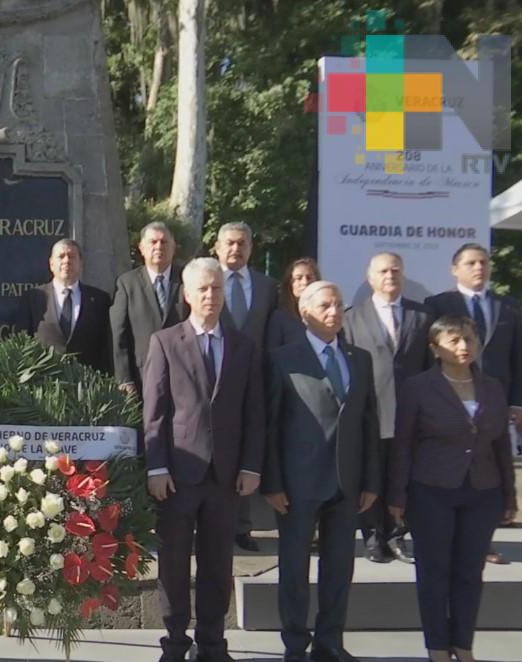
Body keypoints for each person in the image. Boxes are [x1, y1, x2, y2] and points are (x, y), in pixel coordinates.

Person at [143, 258, 265, 662]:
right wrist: (156, 467)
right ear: (187, 294)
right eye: (203, 289)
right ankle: (176, 643)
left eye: (216, 288)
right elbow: (155, 412)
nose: (211, 296)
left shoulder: (244, 345)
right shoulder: (165, 341)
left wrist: (251, 465)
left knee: (218, 564)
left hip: (226, 476)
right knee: (174, 565)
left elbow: (254, 412)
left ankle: (212, 644)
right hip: (179, 473)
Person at [263, 280, 380, 662]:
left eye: (339, 305)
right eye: (325, 305)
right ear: (305, 312)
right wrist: (273, 482)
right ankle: (296, 644)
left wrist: (370, 480)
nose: (334, 312)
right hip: (298, 484)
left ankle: (330, 641)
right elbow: (272, 426)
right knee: (294, 570)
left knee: (339, 568)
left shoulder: (359, 358)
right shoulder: (283, 358)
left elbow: (368, 422)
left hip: (346, 483)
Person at [388, 316, 517, 662]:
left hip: (483, 491)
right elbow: (403, 445)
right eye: (455, 340)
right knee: (434, 571)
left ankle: (463, 644)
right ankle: (437, 647)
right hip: (431, 490)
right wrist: (397, 495)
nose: (464, 347)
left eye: (470, 340)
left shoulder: (492, 386)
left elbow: (502, 445)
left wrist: (509, 495)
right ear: (435, 348)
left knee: (470, 572)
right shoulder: (418, 387)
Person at [424, 243, 522, 565]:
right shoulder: (438, 305)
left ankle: (484, 542)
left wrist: (517, 402)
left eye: (483, 262)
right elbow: (428, 357)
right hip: (450, 401)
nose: (479, 268)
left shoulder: (510, 307)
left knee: (491, 469)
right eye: (470, 263)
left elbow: (518, 359)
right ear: (455, 269)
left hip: (495, 401)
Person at [342, 252, 433, 564]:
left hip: (411, 411)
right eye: (383, 271)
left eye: (395, 270)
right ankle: (372, 536)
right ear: (370, 278)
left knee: (403, 474)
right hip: (370, 410)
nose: (390, 275)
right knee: (371, 474)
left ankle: (398, 534)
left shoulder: (423, 316)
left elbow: (430, 367)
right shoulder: (351, 317)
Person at [213, 221, 279, 552]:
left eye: (242, 243)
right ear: (217, 247)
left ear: (251, 247)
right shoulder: (206, 284)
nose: (235, 249)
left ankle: (243, 527)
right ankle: (217, 523)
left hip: (256, 383)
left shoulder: (268, 287)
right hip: (215, 382)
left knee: (248, 453)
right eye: (229, 243)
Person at [110, 222, 188, 397]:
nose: (159, 246)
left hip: (183, 374)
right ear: (141, 248)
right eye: (153, 242)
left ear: (173, 247)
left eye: (164, 242)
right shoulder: (127, 283)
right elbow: (118, 333)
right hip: (142, 377)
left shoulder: (187, 278)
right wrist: (124, 378)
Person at [19, 238, 112, 374]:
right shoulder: (33, 298)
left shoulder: (100, 299)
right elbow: (22, 340)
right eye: (61, 256)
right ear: (51, 264)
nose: (66, 261)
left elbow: (106, 345)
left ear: (81, 263)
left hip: (87, 384)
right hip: (45, 382)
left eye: (72, 256)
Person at [267, 258, 320, 350]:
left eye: (309, 277)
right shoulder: (280, 318)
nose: (305, 282)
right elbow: (273, 354)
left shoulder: (326, 314)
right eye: (299, 278)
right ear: (290, 283)